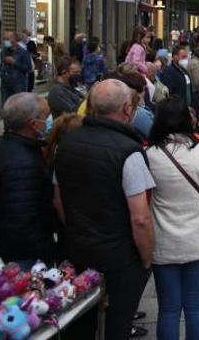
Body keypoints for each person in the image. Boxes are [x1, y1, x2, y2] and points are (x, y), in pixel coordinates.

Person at [54, 79, 155, 340]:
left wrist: (77, 228)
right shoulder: (129, 152)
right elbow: (141, 218)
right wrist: (146, 258)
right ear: (125, 109)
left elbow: (58, 199)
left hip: (78, 248)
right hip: (120, 256)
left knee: (80, 321)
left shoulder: (67, 142)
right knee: (118, 323)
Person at [146, 97, 199, 340]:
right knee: (195, 306)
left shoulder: (149, 154)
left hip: (163, 241)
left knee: (168, 308)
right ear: (187, 119)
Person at [0, 93, 55, 267]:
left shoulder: (8, 146)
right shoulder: (21, 163)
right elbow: (22, 219)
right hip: (26, 256)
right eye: (46, 115)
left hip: (11, 249)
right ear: (33, 124)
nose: (50, 119)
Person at [0, 31, 33, 105]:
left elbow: (29, 68)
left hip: (19, 84)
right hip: (5, 84)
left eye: (7, 39)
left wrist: (14, 63)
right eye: (4, 39)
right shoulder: (4, 51)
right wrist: (1, 73)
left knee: (18, 106)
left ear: (14, 39)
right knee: (6, 106)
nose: (5, 41)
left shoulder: (23, 52)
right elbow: (2, 64)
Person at [188, 47, 199, 114]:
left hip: (192, 89)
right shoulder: (197, 64)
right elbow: (197, 80)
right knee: (195, 110)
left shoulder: (192, 61)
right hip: (195, 91)